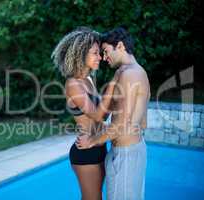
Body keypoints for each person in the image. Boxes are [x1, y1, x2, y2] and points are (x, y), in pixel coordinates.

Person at [76, 27, 151, 200]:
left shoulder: (130, 75)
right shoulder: (131, 72)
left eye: (106, 51)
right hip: (125, 152)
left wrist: (91, 142)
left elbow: (121, 125)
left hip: (126, 155)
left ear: (120, 46)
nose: (104, 57)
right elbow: (143, 123)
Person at [51, 27, 121, 200]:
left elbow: (103, 115)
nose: (100, 57)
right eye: (95, 53)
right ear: (81, 54)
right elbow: (97, 115)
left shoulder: (89, 80)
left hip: (98, 146)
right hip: (85, 151)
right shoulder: (73, 84)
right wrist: (113, 86)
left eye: (100, 53)